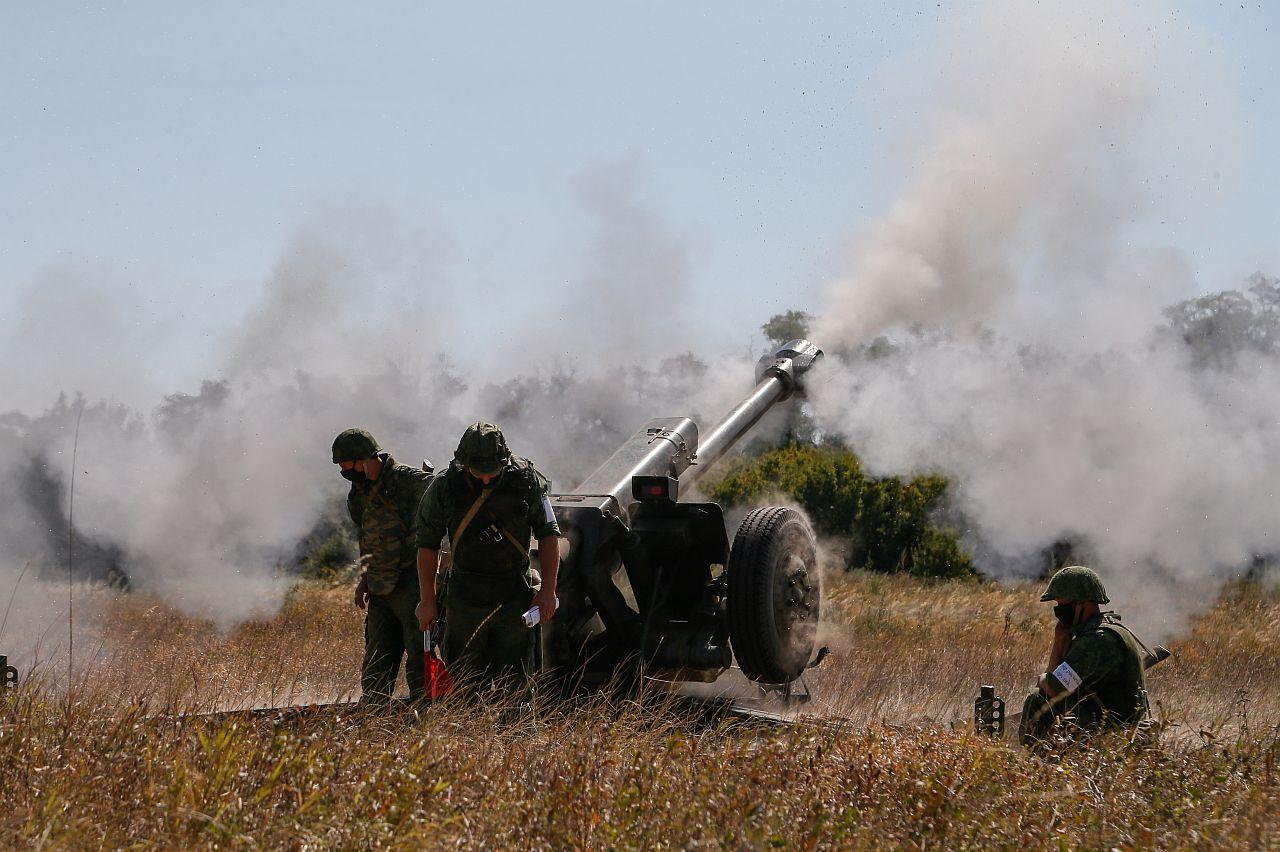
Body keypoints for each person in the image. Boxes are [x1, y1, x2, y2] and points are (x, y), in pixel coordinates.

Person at [414, 422, 560, 700]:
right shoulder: (444, 487)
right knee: (464, 691)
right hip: (463, 598)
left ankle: (516, 742)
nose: (485, 480)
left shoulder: (527, 481)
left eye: (491, 472)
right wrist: (427, 600)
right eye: (478, 472)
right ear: (463, 463)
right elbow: (426, 544)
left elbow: (549, 535)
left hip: (513, 597)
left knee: (517, 691)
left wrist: (548, 592)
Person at [332, 428, 432, 704]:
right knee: (377, 659)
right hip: (379, 587)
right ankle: (374, 718)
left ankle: (425, 718)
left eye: (346, 465)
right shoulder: (358, 494)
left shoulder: (407, 480)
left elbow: (440, 502)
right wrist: (364, 580)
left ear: (364, 458)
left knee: (418, 657)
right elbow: (366, 538)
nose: (344, 472)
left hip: (412, 583)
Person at [1018, 565, 1151, 746]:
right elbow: (1057, 684)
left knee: (1037, 700)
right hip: (1114, 724)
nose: (1059, 611)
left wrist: (1044, 679)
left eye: (1063, 605)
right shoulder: (1099, 630)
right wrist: (1060, 643)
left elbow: (1054, 687)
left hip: (1114, 732)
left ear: (1084, 603)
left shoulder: (1098, 640)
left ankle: (1038, 764)